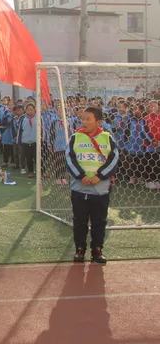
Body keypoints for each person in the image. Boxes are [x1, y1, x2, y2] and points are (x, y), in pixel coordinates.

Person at [66, 107, 119, 263]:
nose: (84, 122)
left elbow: (114, 159)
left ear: (98, 122)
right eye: (83, 118)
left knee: (99, 222)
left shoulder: (107, 138)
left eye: (88, 119)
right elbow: (69, 158)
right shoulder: (75, 137)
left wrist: (100, 176)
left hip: (100, 190)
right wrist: (81, 176)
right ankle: (79, 249)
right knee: (80, 221)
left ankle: (97, 250)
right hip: (79, 189)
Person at [17, 103, 38, 177]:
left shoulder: (38, 118)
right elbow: (20, 130)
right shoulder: (23, 118)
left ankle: (41, 171)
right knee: (29, 158)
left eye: (31, 109)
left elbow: (43, 130)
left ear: (34, 110)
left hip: (36, 141)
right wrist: (19, 141)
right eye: (28, 109)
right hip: (26, 142)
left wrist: (43, 140)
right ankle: (31, 171)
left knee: (38, 158)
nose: (30, 111)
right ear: (26, 110)